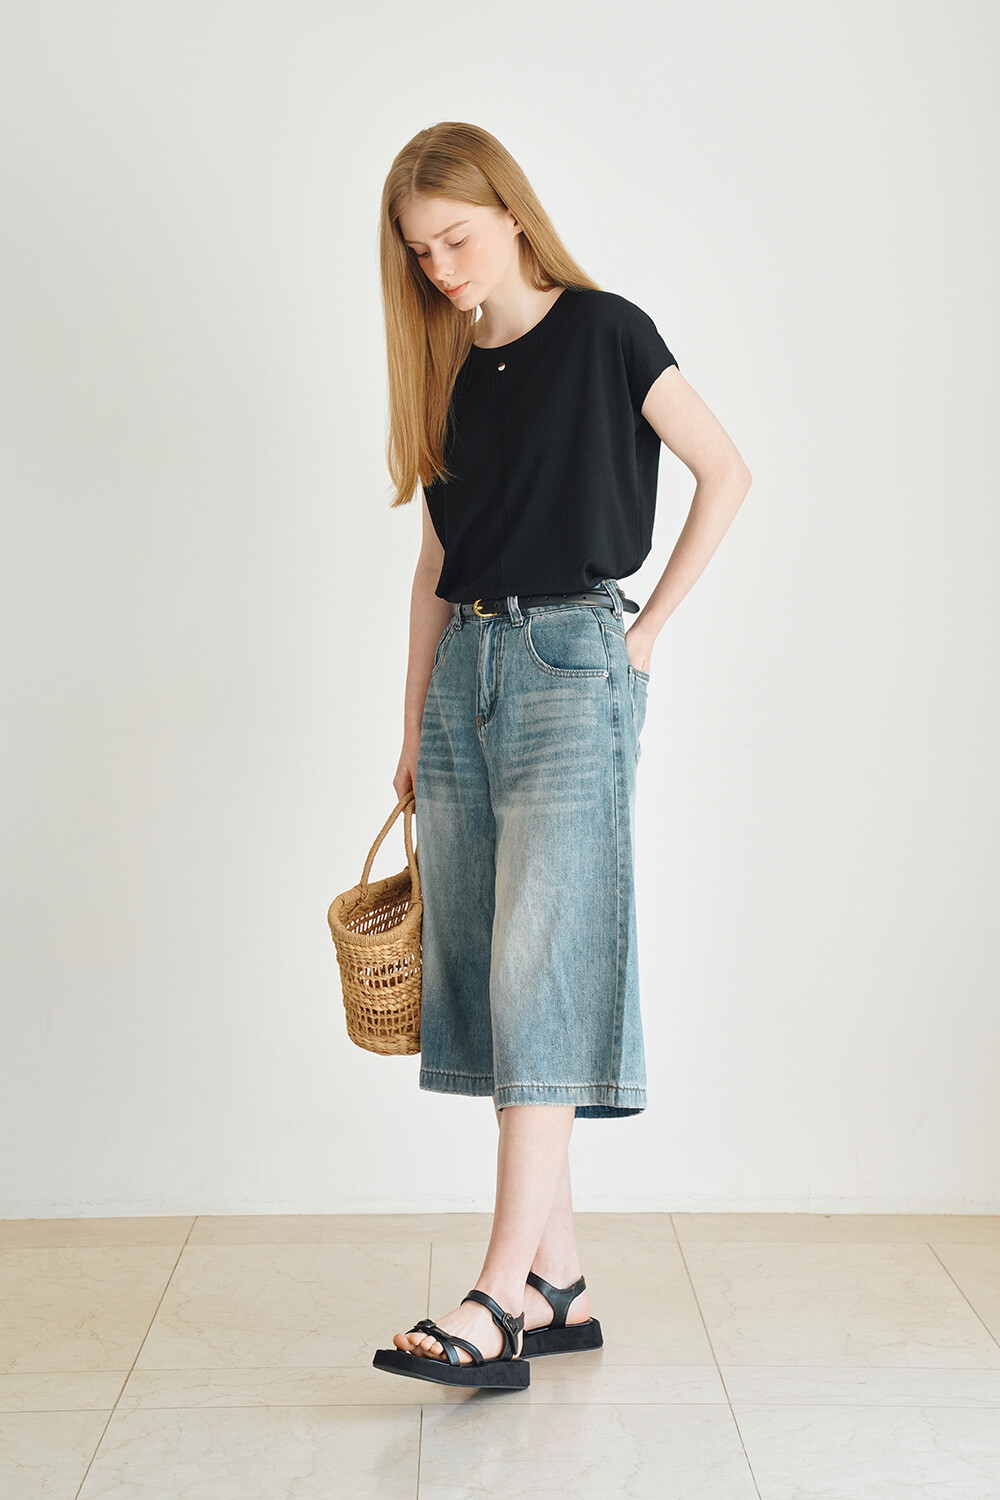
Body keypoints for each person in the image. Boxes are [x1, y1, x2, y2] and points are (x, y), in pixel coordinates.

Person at [371, 122, 752, 1389]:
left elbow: (725, 471)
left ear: (512, 215)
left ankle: (494, 1299)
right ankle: (558, 1285)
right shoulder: (446, 369)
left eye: (455, 239)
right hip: (465, 678)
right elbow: (434, 561)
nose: (440, 269)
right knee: (493, 974)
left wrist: (642, 637)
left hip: (572, 663)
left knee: (539, 968)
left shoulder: (605, 332)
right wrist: (411, 721)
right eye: (420, 253)